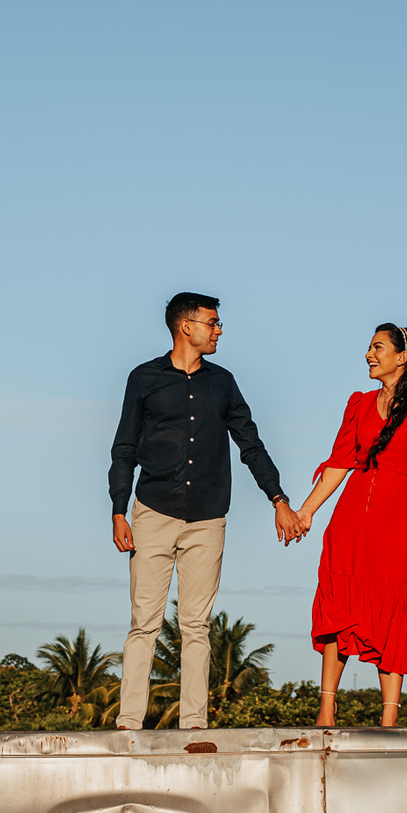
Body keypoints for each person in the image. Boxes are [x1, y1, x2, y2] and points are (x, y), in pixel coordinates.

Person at [110, 293, 303, 730]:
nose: (219, 330)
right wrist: (119, 510)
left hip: (208, 518)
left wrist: (279, 500)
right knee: (144, 623)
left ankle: (194, 724)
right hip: (152, 513)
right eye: (212, 323)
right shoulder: (144, 378)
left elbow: (251, 444)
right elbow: (124, 448)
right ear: (186, 326)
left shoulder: (223, 383)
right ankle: (129, 724)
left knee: (196, 625)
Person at [294, 324, 407, 728]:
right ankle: (326, 711)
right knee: (338, 605)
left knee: (395, 613)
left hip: (399, 522)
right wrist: (307, 512)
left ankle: (389, 718)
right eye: (369, 347)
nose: (369, 355)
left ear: (402, 356)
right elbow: (339, 463)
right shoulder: (358, 404)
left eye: (378, 347)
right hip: (351, 519)